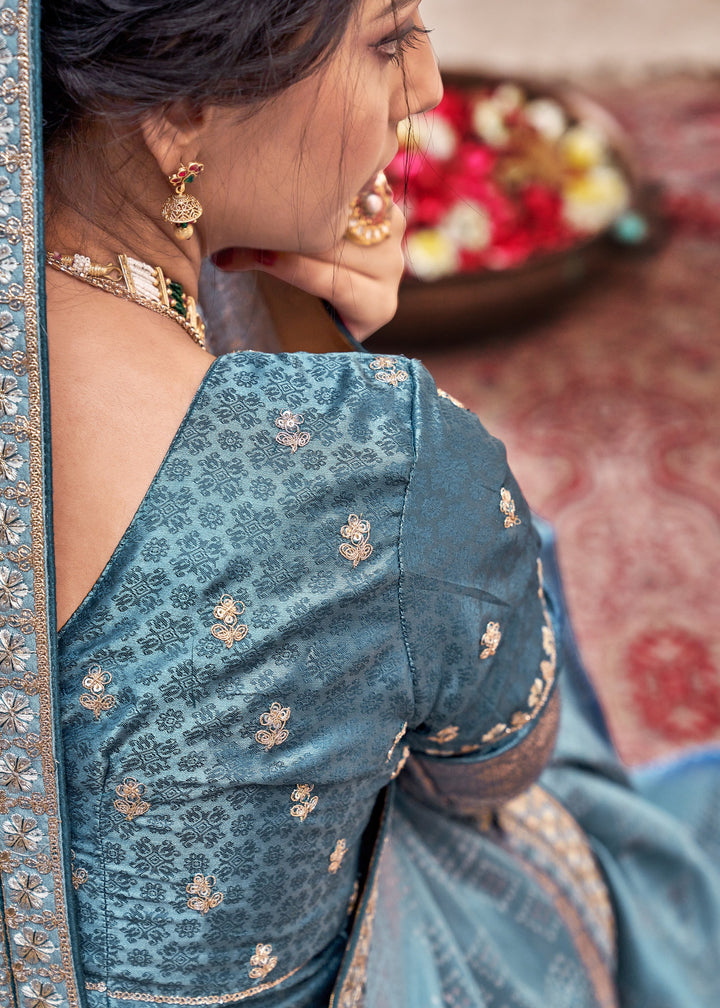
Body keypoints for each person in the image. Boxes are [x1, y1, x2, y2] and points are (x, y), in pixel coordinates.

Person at [1, 1, 718, 1006]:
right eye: (388, 38)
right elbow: (500, 767)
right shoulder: (373, 459)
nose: (425, 85)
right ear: (178, 105)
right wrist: (344, 371)